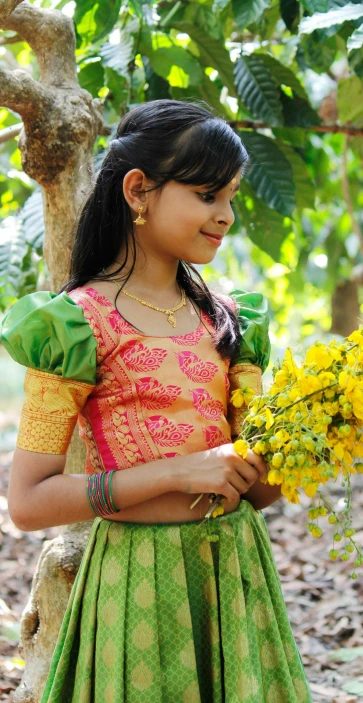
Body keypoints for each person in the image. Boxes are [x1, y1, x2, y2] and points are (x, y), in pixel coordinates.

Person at [1, 100, 312, 703]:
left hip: (233, 573)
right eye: (207, 196)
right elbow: (29, 501)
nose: (225, 216)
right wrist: (175, 472)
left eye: (232, 198)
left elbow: (260, 490)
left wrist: (314, 436)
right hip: (135, 583)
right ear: (139, 191)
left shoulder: (232, 322)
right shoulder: (73, 325)